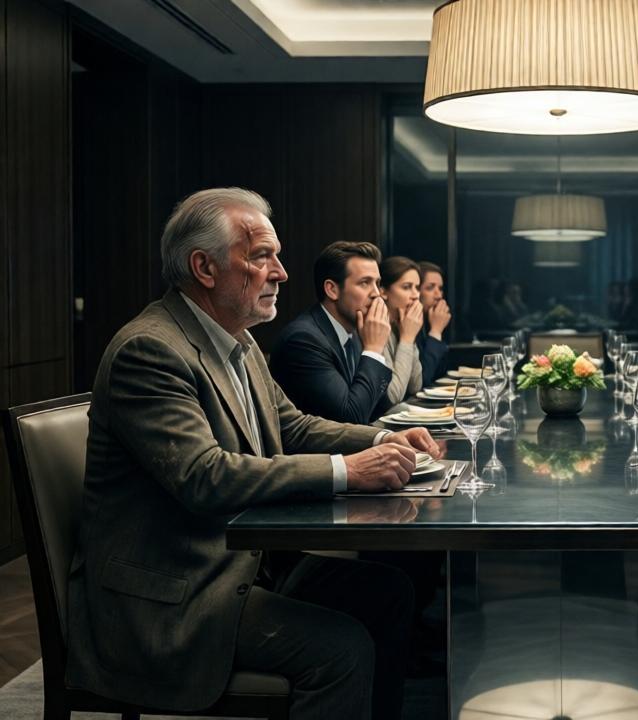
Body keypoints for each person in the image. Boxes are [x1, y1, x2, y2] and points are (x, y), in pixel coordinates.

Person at [66, 188, 441, 720]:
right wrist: (348, 471)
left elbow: (293, 425)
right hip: (180, 595)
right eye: (261, 256)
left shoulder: (238, 342)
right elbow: (204, 476)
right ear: (205, 268)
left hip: (249, 564)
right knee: (342, 649)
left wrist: (381, 440)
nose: (281, 273)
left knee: (389, 591)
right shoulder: (148, 350)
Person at [271, 241, 393, 424]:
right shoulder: (303, 340)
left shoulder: (356, 333)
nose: (377, 293)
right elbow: (350, 418)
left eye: (377, 283)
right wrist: (374, 349)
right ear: (332, 289)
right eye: (365, 283)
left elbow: (380, 409)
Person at [376, 256, 425, 404]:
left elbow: (415, 386)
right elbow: (393, 395)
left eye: (417, 287)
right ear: (383, 292)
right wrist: (407, 339)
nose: (416, 295)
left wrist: (410, 336)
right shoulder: (376, 328)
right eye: (406, 287)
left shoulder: (400, 325)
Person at [416, 260, 451, 382]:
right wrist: (436, 331)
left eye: (440, 289)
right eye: (430, 288)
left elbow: (440, 373)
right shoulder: (408, 324)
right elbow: (423, 379)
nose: (439, 295)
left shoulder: (428, 320)